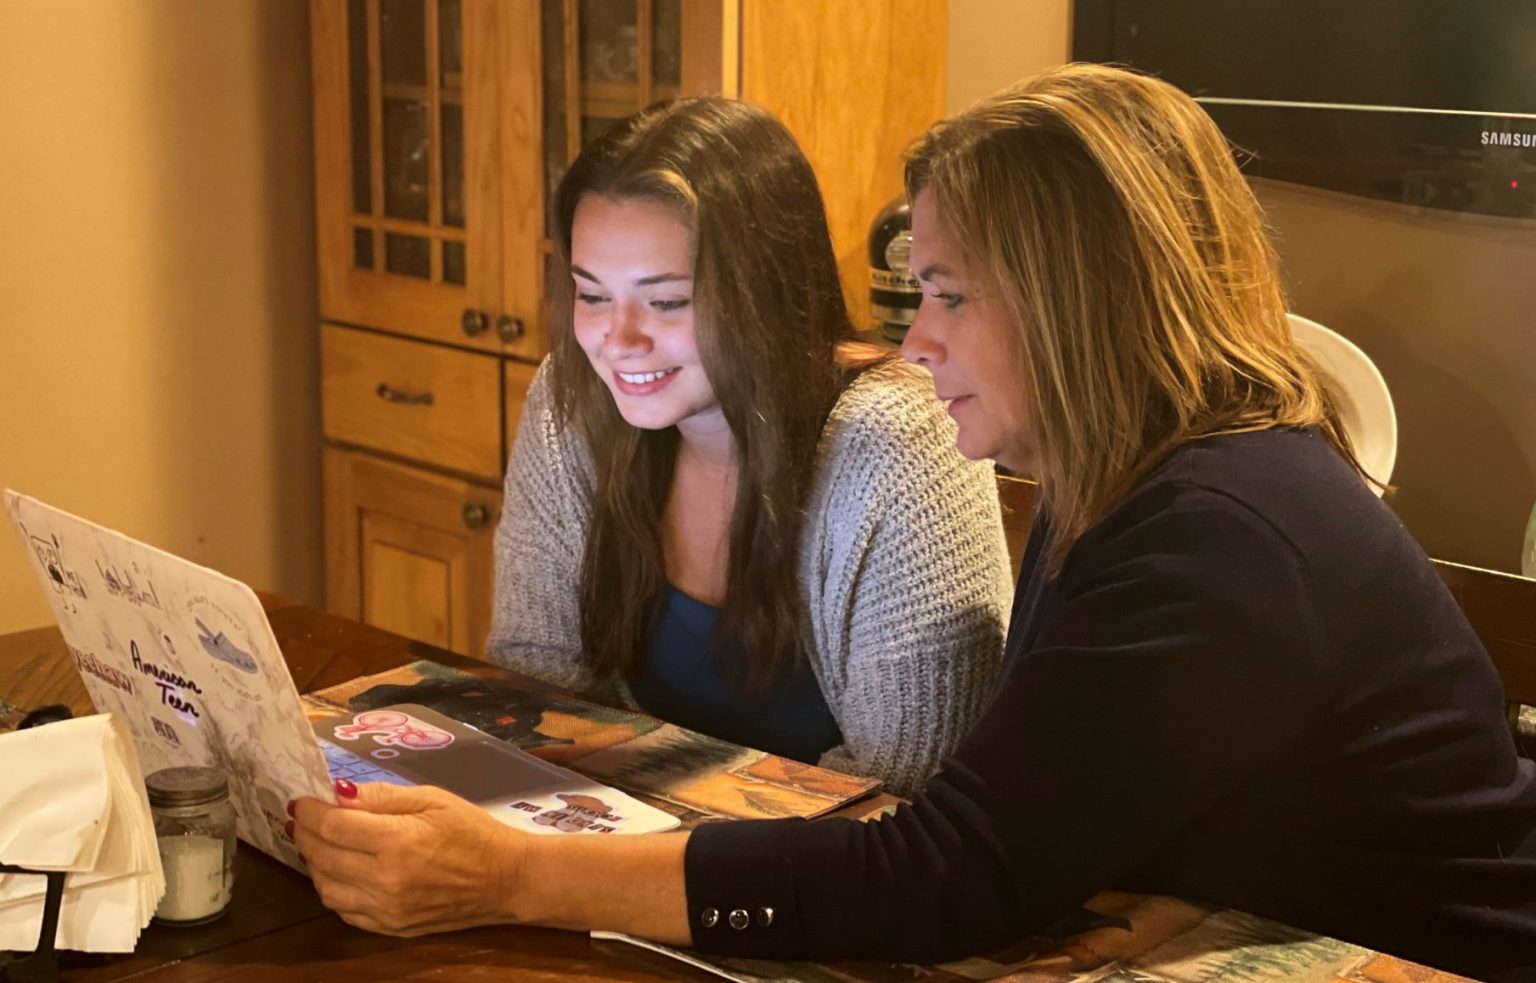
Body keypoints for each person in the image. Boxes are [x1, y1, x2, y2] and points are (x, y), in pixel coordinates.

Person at [291, 65, 1536, 979]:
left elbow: (949, 871)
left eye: (946, 294)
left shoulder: (1219, 530)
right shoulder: (1124, 478)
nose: (916, 339)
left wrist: (516, 871)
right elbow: (1044, 818)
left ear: (1072, 303)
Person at [483, 96, 1012, 794]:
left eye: (667, 301)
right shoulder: (573, 397)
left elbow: (907, 792)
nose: (618, 340)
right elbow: (534, 690)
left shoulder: (899, 442)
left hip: (823, 860)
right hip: (628, 836)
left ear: (767, 292)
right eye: (592, 295)